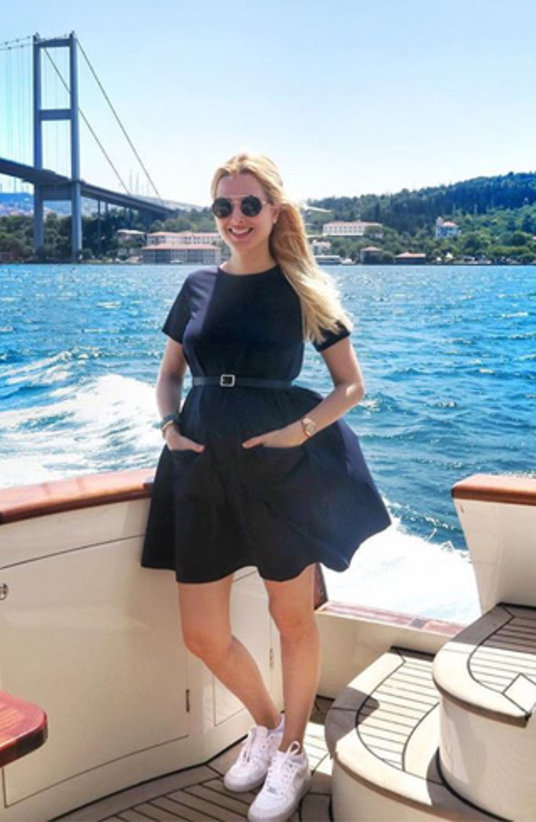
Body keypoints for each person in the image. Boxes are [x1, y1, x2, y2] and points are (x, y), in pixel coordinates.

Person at [142, 152, 390, 822]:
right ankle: (266, 724)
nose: (236, 217)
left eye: (250, 205)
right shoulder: (196, 285)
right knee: (202, 633)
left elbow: (350, 386)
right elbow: (169, 375)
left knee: (292, 619)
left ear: (275, 211)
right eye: (224, 206)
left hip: (281, 470)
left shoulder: (300, 287)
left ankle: (293, 752)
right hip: (200, 465)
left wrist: (297, 433)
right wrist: (169, 426)